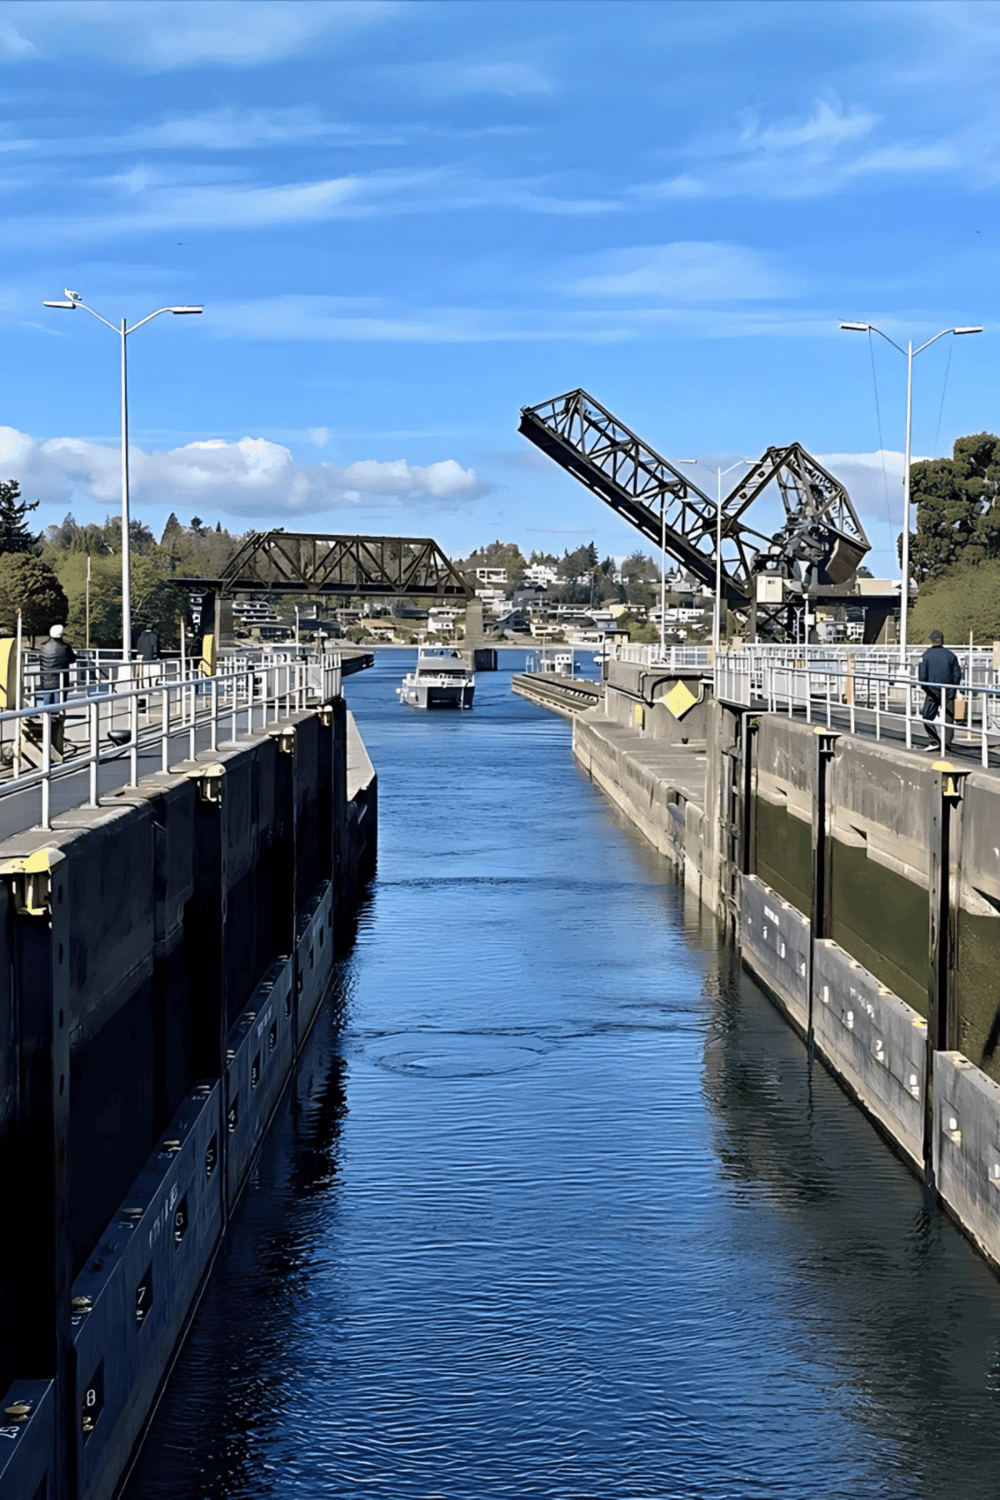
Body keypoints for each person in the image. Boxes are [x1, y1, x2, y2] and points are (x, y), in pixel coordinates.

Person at [918, 629, 962, 751]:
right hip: (948, 691)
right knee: (948, 718)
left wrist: (926, 689)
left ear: (931, 640)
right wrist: (953, 690)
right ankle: (947, 744)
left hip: (932, 691)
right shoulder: (951, 655)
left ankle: (934, 741)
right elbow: (957, 675)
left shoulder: (926, 655)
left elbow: (922, 677)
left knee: (927, 716)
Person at [37, 622, 76, 707]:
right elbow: (72, 659)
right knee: (59, 704)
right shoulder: (65, 647)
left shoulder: (43, 647)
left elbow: (40, 660)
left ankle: (47, 717)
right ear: (61, 635)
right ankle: (57, 717)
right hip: (60, 680)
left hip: (45, 680)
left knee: (47, 705)